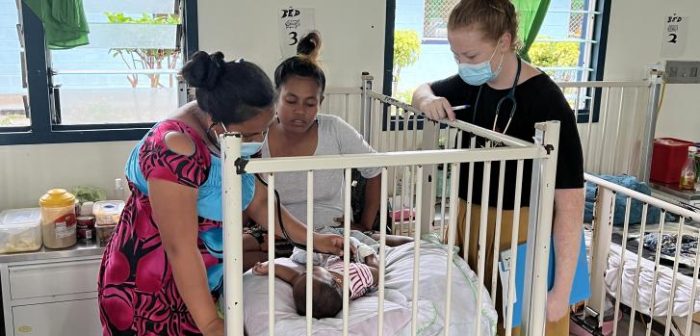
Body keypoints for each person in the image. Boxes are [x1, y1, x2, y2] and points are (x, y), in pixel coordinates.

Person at [97, 51, 345, 336]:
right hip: (150, 291)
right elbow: (180, 248)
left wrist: (316, 240)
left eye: (265, 129)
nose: (259, 141)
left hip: (199, 287)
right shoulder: (174, 147)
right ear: (216, 120)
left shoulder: (233, 125)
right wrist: (210, 324)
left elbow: (261, 201)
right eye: (251, 135)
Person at [411, 0, 585, 334]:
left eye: (471, 56)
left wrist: (560, 291)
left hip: (521, 231)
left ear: (503, 43)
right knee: (473, 317)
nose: (463, 64)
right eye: (455, 55)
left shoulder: (546, 100)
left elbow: (570, 203)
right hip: (471, 221)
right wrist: (427, 101)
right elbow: (423, 89)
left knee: (520, 321)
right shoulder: (472, 83)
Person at [263, 31, 383, 232]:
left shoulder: (334, 129)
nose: (300, 111)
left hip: (334, 234)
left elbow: (376, 169)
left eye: (310, 103)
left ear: (321, 103)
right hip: (275, 236)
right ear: (275, 97)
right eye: (291, 101)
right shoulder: (258, 136)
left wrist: (365, 226)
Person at [251, 232, 402, 319]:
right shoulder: (358, 275)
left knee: (303, 253)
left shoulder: (319, 283)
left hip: (330, 259)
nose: (307, 271)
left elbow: (292, 277)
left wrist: (270, 267)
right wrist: (369, 255)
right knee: (352, 242)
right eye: (312, 272)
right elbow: (376, 271)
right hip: (354, 259)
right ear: (336, 280)